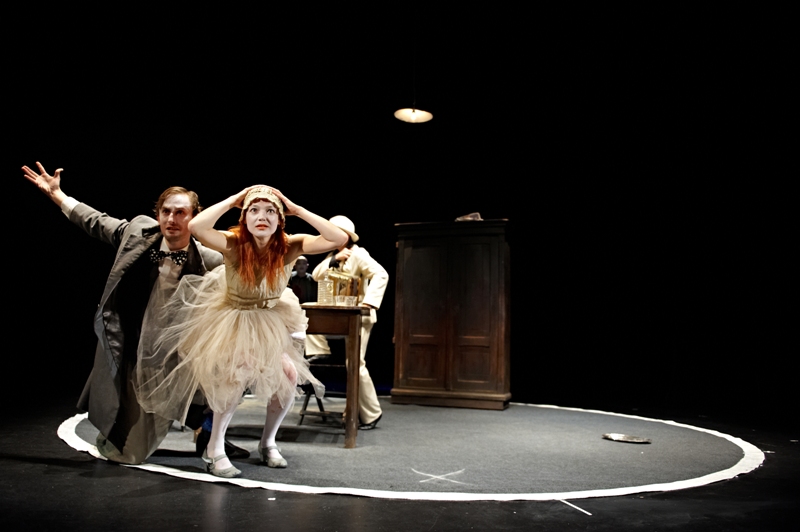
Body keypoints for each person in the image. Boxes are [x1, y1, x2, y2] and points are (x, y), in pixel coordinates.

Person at [20, 161, 240, 465]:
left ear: (194, 217)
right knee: (128, 454)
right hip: (136, 343)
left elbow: (247, 276)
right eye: (166, 211)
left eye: (181, 212)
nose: (172, 219)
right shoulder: (138, 234)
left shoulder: (209, 258)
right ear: (157, 214)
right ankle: (177, 427)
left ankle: (208, 430)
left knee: (229, 371)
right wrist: (57, 195)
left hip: (180, 351)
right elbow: (95, 221)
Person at [135, 185, 347, 478]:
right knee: (237, 374)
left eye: (270, 211)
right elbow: (197, 227)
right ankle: (214, 448)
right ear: (244, 217)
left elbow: (338, 238)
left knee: (288, 375)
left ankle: (268, 442)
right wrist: (234, 200)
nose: (262, 217)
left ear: (280, 219)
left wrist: (295, 209)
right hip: (232, 317)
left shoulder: (289, 245)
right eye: (254, 211)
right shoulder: (234, 243)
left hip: (267, 318)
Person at [305, 216, 389, 430]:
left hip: (357, 316)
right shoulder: (332, 256)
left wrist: (369, 302)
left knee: (355, 365)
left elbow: (381, 274)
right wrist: (334, 259)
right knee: (308, 319)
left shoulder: (359, 254)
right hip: (338, 315)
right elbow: (316, 275)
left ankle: (371, 413)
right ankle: (319, 350)